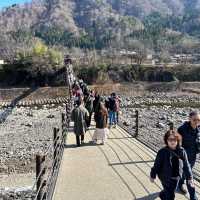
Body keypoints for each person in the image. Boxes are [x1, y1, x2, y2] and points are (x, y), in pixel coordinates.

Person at [150, 130, 194, 200]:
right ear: (166, 140)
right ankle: (165, 195)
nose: (172, 141)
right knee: (170, 195)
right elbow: (156, 165)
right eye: (170, 139)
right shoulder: (162, 152)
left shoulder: (182, 151)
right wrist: (153, 175)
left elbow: (186, 165)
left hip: (176, 177)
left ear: (177, 140)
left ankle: (162, 194)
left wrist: (190, 177)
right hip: (164, 177)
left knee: (170, 190)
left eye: (174, 139)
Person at [177, 111, 200, 199]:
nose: (197, 122)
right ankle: (193, 196)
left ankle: (180, 183)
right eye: (195, 119)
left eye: (199, 120)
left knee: (184, 173)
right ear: (189, 118)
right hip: (184, 156)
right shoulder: (182, 129)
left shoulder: (199, 128)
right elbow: (176, 143)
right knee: (190, 175)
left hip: (193, 155)